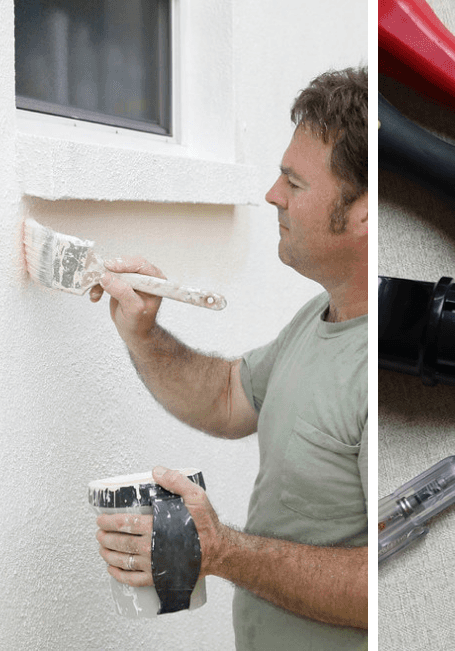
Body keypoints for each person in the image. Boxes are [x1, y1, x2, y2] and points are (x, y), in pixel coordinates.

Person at [91, 66, 369, 650]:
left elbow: (380, 588)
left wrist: (219, 550)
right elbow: (224, 396)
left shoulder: (377, 372)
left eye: (294, 184)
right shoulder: (321, 319)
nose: (272, 195)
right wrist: (144, 332)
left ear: (364, 212)